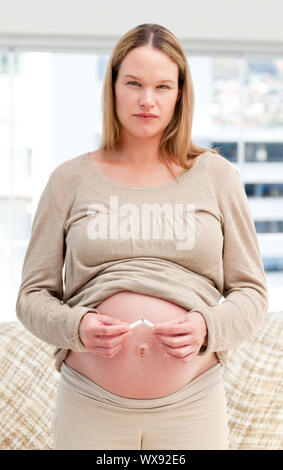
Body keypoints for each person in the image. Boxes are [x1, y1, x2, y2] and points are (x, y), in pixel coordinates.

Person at [15, 23, 269, 450]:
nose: (147, 100)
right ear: (112, 86)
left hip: (192, 407)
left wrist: (207, 326)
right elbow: (31, 295)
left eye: (162, 86)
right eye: (133, 82)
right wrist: (77, 326)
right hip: (90, 405)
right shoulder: (69, 179)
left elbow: (251, 292)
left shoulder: (217, 176)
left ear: (179, 94)